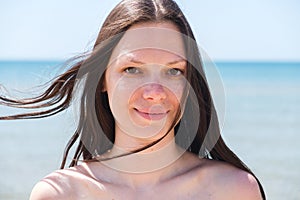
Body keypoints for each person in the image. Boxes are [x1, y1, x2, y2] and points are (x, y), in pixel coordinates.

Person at [0, 0, 265, 199]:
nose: (154, 91)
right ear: (102, 79)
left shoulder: (234, 190)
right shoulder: (61, 194)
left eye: (174, 71)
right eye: (132, 69)